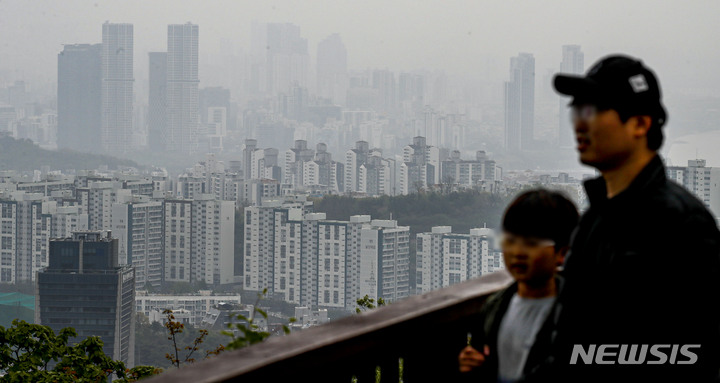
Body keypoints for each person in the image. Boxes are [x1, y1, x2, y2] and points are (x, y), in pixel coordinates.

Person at [536, 55, 720, 382]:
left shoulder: (681, 224)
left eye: (592, 111)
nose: (580, 124)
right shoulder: (596, 217)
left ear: (640, 124)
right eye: (576, 111)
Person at [458, 189, 579, 383]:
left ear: (561, 253)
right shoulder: (494, 307)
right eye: (510, 241)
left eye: (531, 243)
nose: (517, 252)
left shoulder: (577, 313)